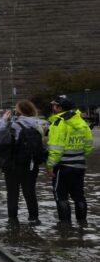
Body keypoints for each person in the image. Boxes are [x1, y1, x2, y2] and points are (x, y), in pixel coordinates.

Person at [0, 100, 44, 224]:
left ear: (19, 111)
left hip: (13, 165)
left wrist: (4, 119)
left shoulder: (14, 125)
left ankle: (13, 220)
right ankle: (34, 219)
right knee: (30, 193)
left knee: (12, 193)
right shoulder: (38, 125)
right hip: (31, 165)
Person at [47, 95, 94, 224]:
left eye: (54, 105)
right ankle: (82, 223)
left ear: (60, 108)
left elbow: (56, 148)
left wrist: (50, 166)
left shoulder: (59, 122)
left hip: (62, 167)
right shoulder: (81, 122)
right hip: (79, 165)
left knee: (61, 197)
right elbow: (89, 146)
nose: (52, 108)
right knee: (79, 196)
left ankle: (65, 227)